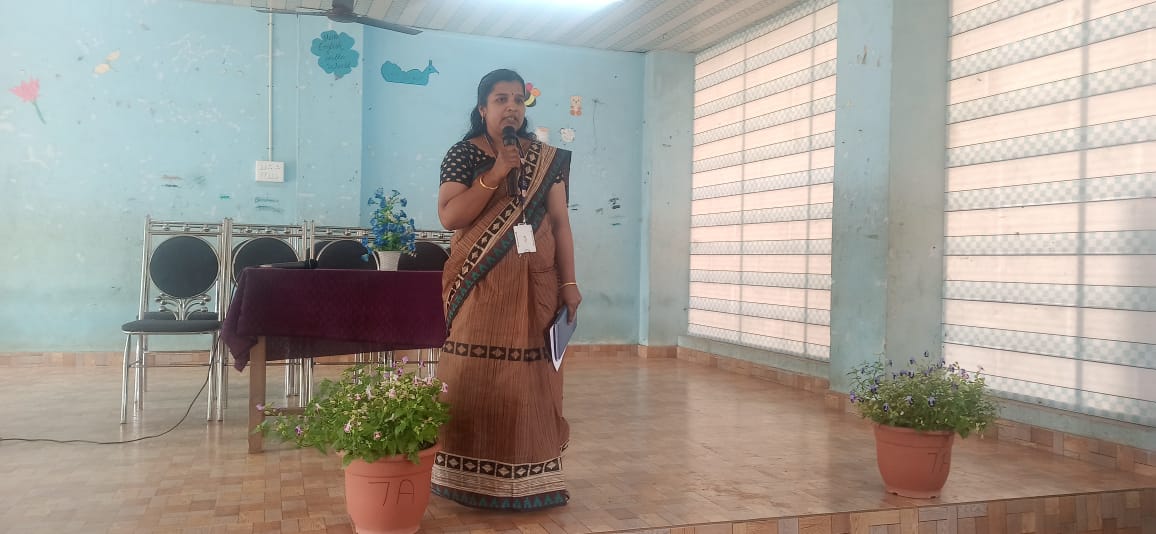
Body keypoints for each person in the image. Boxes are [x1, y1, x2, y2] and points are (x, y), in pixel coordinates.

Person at [431, 68, 581, 511]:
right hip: (479, 286)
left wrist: (570, 282)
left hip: (538, 285)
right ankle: (468, 478)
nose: (511, 107)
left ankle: (532, 479)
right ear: (483, 108)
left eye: (518, 99)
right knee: (472, 373)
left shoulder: (546, 159)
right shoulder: (464, 154)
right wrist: (495, 173)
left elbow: (560, 223)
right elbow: (450, 216)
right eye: (501, 99)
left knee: (532, 381)